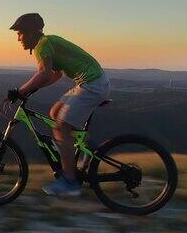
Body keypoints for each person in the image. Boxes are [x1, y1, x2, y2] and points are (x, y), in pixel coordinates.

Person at [9, 13, 111, 196]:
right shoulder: (47, 43)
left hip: (92, 84)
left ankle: (70, 182)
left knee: (60, 129)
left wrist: (20, 91)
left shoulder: (42, 45)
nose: (18, 38)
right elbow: (53, 75)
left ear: (31, 32)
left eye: (20, 33)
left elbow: (42, 74)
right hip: (91, 83)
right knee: (55, 113)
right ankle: (89, 147)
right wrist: (32, 89)